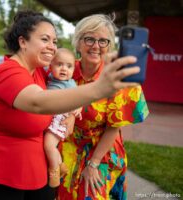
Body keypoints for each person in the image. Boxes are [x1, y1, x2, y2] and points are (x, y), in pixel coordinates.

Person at [0, 10, 141, 200]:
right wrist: (99, 89)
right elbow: (37, 102)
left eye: (54, 41)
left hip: (41, 165)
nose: (52, 47)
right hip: (4, 169)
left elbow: (60, 92)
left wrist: (72, 115)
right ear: (23, 42)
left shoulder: (39, 71)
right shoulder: (8, 73)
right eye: (45, 39)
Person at [57, 14, 149, 200]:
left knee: (91, 195)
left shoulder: (117, 77)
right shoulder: (64, 70)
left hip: (102, 150)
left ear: (110, 45)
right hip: (67, 145)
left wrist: (93, 164)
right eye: (89, 39)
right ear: (78, 42)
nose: (96, 46)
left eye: (103, 41)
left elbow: (114, 127)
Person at [44, 48, 81, 188]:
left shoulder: (70, 84)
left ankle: (54, 171)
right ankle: (61, 166)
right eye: (59, 64)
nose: (64, 69)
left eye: (69, 66)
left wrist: (76, 109)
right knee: (51, 146)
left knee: (48, 145)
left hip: (60, 119)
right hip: (55, 118)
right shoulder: (52, 78)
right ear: (50, 66)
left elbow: (79, 99)